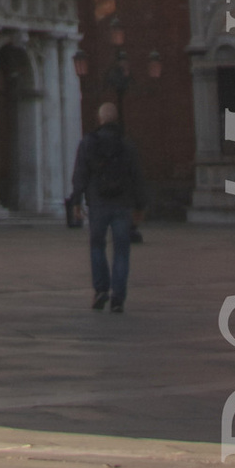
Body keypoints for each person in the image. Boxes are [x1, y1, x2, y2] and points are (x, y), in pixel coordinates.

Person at [69, 101, 144, 312]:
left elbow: (80, 174)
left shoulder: (88, 143)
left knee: (97, 246)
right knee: (122, 250)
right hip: (122, 204)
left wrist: (76, 201)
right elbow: (137, 176)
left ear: (100, 119)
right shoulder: (127, 144)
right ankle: (118, 297)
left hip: (98, 203)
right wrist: (140, 205)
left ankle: (101, 290)